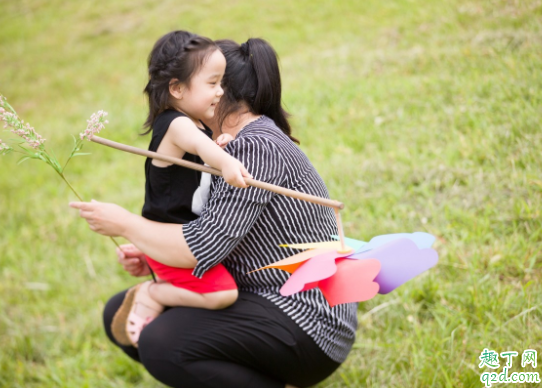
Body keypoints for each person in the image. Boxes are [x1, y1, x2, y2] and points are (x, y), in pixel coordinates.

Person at [70, 37, 357, 388]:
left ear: (223, 94)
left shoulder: (254, 146)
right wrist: (154, 254)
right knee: (121, 311)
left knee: (162, 342)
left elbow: (199, 246)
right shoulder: (224, 146)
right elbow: (214, 232)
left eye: (217, 84)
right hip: (259, 295)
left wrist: (128, 224)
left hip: (307, 318)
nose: (214, 91)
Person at [111, 31, 251, 348]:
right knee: (223, 293)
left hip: (182, 239)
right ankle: (152, 293)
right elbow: (198, 146)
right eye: (213, 83)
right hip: (167, 241)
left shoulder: (196, 125)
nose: (221, 91)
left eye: (222, 82)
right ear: (176, 88)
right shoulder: (174, 124)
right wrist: (223, 160)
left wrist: (220, 148)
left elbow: (202, 150)